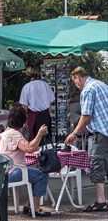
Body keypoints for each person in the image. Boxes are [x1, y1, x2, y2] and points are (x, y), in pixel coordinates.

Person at [0, 103, 52, 218]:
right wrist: (39, 135)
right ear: (24, 122)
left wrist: (2, 154)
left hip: (2, 172)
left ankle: (28, 206)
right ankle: (35, 208)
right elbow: (29, 148)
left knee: (34, 172)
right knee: (42, 175)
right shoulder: (16, 135)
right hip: (14, 172)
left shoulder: (5, 133)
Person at [65, 66, 108, 212]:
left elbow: (86, 116)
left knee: (96, 163)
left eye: (75, 81)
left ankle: (101, 201)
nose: (76, 84)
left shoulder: (88, 89)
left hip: (102, 132)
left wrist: (74, 133)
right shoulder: (100, 84)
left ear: (78, 77)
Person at [20, 64, 55, 139]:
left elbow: (24, 106)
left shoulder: (27, 87)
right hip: (45, 116)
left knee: (34, 140)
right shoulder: (46, 85)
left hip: (33, 117)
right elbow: (51, 102)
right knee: (45, 139)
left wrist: (23, 120)